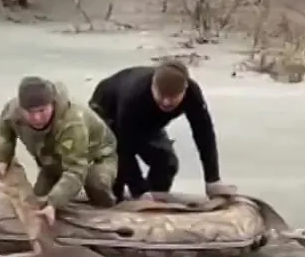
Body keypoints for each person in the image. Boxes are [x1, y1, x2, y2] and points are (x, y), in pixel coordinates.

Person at [88, 59, 237, 202]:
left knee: (166, 163)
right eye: (161, 95)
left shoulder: (192, 94)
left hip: (148, 122)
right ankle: (130, 198)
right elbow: (123, 148)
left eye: (173, 97)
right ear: (153, 85)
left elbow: (204, 134)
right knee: (118, 177)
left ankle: (153, 201)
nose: (166, 102)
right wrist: (139, 191)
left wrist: (212, 180)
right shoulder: (134, 95)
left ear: (184, 90)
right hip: (107, 113)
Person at [0, 76, 118, 227]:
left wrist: (53, 203)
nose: (37, 117)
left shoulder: (72, 123)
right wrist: (2, 158)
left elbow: (75, 170)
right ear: (21, 108)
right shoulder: (13, 110)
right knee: (37, 200)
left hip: (96, 157)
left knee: (96, 183)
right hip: (52, 160)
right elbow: (4, 128)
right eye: (30, 112)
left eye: (42, 110)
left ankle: (109, 215)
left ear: (52, 104)